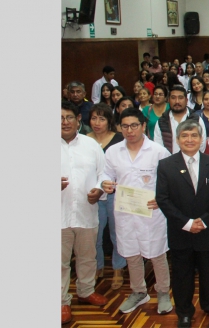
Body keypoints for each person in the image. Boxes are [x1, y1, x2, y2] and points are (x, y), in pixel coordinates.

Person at [155, 120, 209, 328]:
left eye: (194, 135)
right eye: (185, 136)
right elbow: (163, 199)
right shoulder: (166, 165)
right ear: (178, 140)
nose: (190, 140)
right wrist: (187, 223)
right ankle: (184, 311)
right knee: (182, 273)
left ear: (201, 139)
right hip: (181, 230)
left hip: (207, 229)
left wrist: (205, 221)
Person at [101, 108, 173, 315]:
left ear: (143, 126)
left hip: (152, 212)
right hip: (125, 213)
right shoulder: (113, 151)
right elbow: (106, 175)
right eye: (125, 126)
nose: (130, 130)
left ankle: (162, 292)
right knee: (131, 255)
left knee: (157, 254)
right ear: (119, 128)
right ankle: (139, 291)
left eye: (134, 125)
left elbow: (169, 181)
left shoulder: (158, 151)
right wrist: (105, 183)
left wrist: (161, 199)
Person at [61, 101, 109, 324]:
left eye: (69, 117)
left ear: (78, 120)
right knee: (58, 261)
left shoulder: (91, 146)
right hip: (58, 215)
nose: (64, 122)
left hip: (86, 212)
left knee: (87, 257)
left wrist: (99, 190)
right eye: (60, 118)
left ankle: (86, 290)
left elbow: (104, 174)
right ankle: (61, 301)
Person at [86, 103, 126, 290]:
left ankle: (118, 268)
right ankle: (97, 267)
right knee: (94, 233)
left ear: (109, 121)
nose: (97, 122)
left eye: (102, 118)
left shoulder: (118, 139)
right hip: (92, 194)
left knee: (116, 232)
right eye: (94, 118)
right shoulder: (85, 140)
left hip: (115, 193)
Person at [153, 86, 208, 154]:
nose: (177, 101)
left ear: (186, 100)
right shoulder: (162, 122)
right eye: (173, 98)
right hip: (169, 162)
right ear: (168, 100)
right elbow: (158, 147)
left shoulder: (196, 119)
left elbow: (201, 144)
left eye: (180, 98)